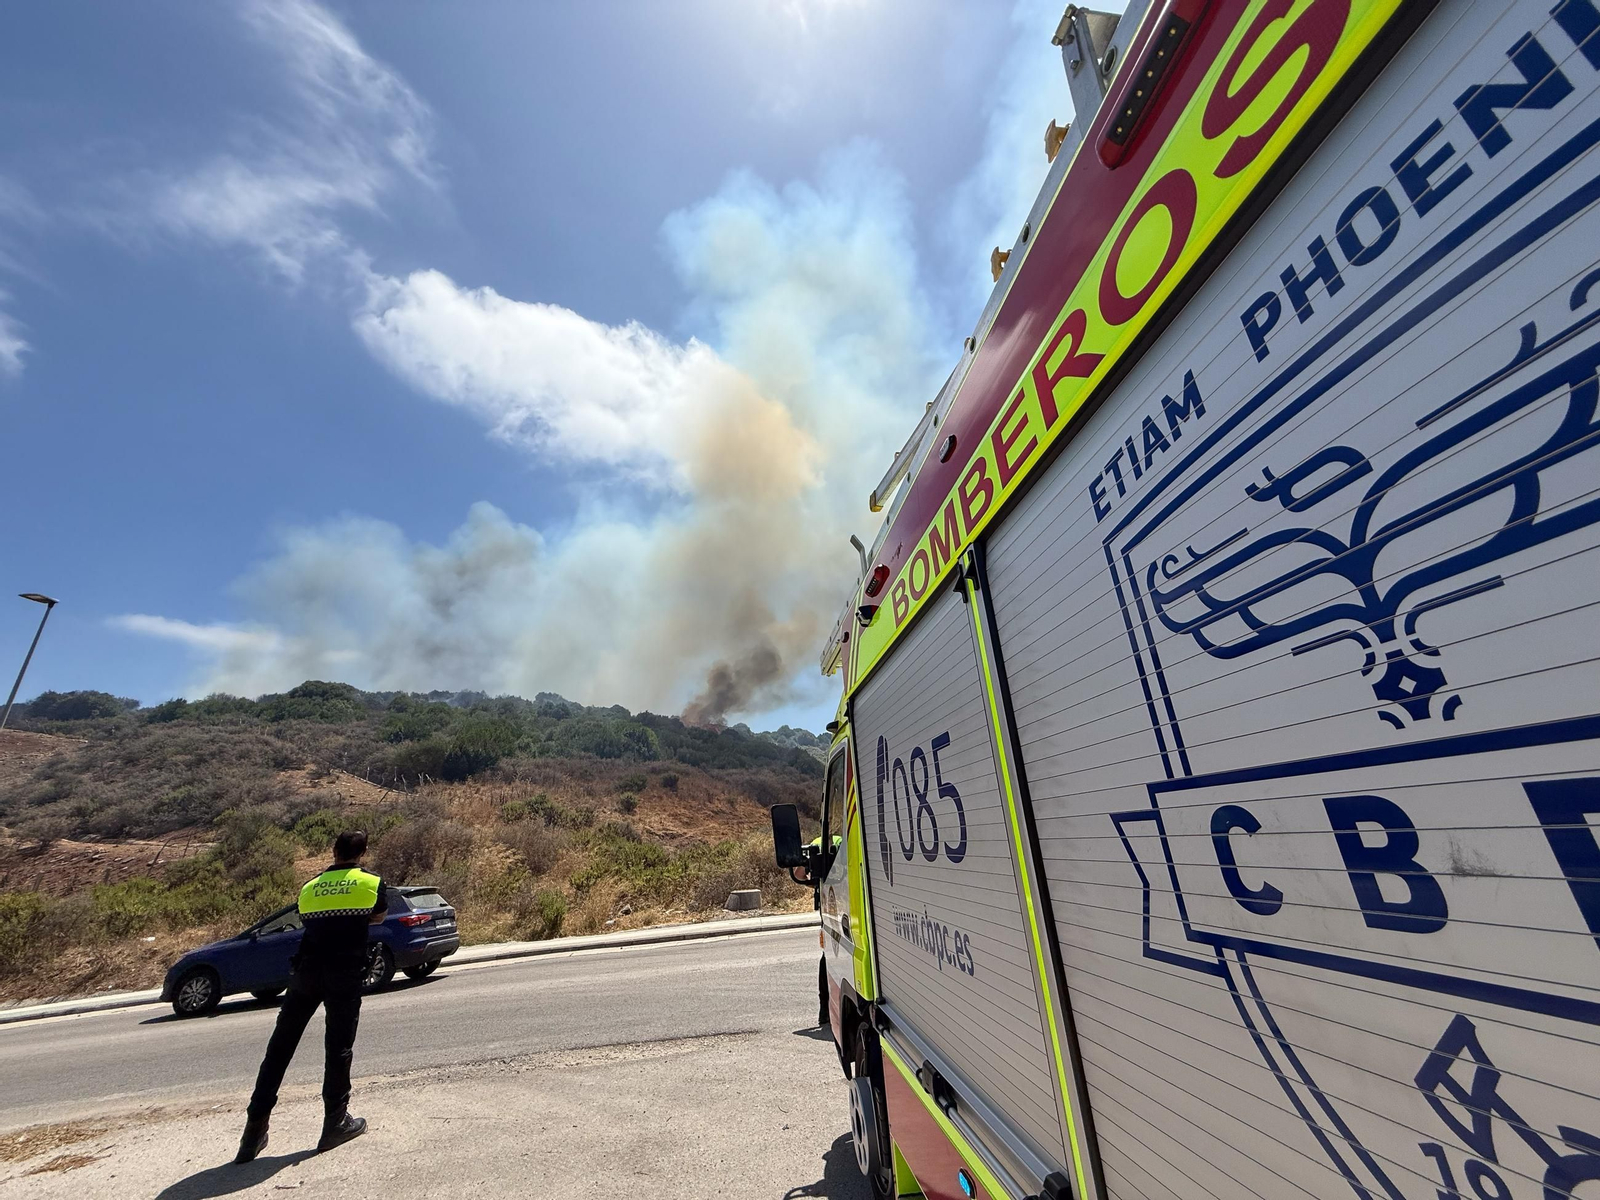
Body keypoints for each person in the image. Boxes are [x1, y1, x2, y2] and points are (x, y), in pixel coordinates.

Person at [235, 830, 387, 1163]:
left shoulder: (310, 886)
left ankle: (253, 1132)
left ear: (333, 851)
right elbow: (377, 916)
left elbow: (308, 920)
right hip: (343, 973)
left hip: (305, 972)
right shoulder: (371, 883)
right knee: (338, 1049)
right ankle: (335, 1123)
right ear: (362, 853)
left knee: (279, 1050)